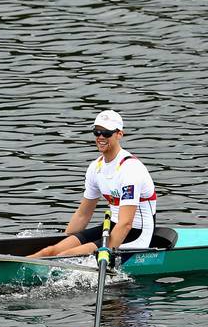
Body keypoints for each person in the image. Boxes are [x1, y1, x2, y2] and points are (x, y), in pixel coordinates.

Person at [30, 110, 157, 258]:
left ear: (119, 134)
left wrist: (106, 253)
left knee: (66, 256)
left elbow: (126, 223)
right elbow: (83, 215)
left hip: (137, 234)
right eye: (97, 132)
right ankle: (12, 268)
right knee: (51, 251)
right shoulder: (95, 168)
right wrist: (63, 240)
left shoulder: (130, 169)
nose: (101, 137)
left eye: (107, 133)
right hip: (112, 228)